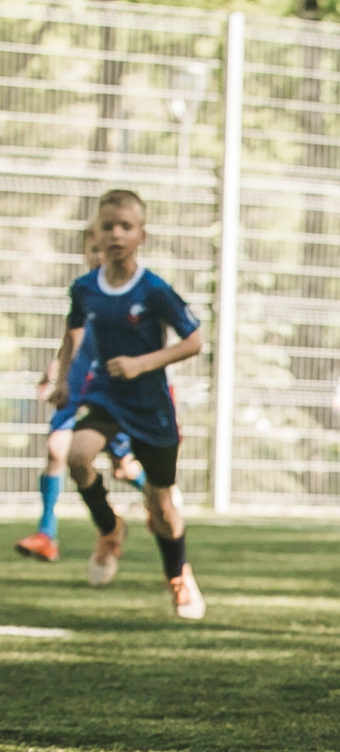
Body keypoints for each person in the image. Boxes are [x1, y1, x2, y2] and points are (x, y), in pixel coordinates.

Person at [45, 190, 205, 617]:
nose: (116, 234)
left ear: (141, 235)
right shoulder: (84, 289)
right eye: (108, 226)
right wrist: (63, 379)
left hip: (151, 406)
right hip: (106, 398)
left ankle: (178, 574)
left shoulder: (154, 290)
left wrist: (142, 363)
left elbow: (194, 341)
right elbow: (72, 332)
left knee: (162, 504)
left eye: (125, 227)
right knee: (77, 456)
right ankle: (110, 528)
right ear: (96, 232)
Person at [17, 228, 146, 564]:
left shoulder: (130, 293)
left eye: (103, 249)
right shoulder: (84, 291)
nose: (98, 255)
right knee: (57, 448)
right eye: (93, 249)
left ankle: (161, 500)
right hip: (77, 384)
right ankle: (47, 533)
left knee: (124, 467)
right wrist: (56, 371)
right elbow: (72, 338)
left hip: (109, 389)